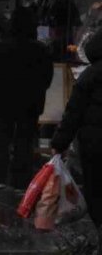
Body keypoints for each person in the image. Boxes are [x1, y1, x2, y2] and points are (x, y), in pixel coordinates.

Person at [0, 7, 53, 192]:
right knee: (25, 143)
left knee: (0, 141)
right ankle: (21, 183)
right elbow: (47, 78)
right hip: (30, 103)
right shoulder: (41, 50)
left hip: (3, 101)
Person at [52, 28, 102, 226]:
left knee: (96, 191)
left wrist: (59, 142)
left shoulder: (90, 75)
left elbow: (74, 112)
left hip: (93, 145)